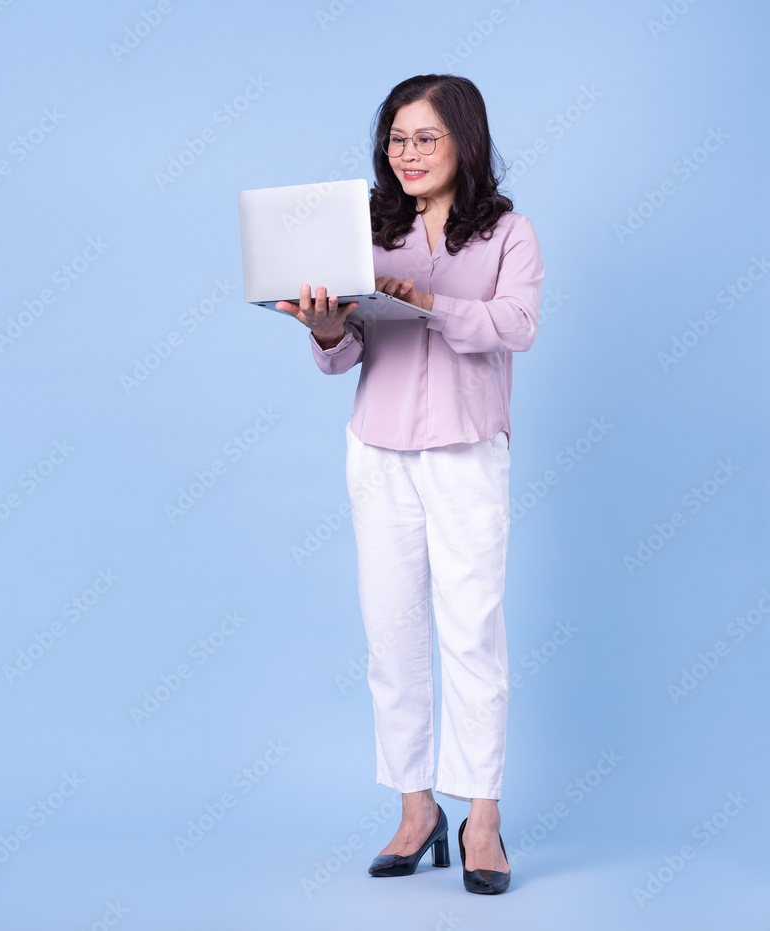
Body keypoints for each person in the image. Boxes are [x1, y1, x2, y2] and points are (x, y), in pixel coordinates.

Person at [276, 74, 543, 895]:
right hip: (379, 451)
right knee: (390, 636)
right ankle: (415, 807)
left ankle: (484, 817)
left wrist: (430, 303)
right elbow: (345, 350)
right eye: (396, 138)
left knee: (471, 634)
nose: (409, 153)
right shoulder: (364, 229)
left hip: (466, 451)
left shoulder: (507, 232)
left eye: (426, 137)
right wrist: (326, 327)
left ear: (465, 138)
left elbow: (517, 325)